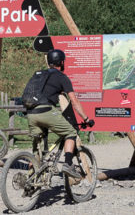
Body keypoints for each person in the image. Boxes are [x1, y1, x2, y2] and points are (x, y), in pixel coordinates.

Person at [26, 49, 94, 178]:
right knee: (70, 133)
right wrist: (86, 118)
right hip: (45, 111)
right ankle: (68, 164)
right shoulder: (62, 77)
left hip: (30, 112)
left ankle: (30, 177)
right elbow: (74, 101)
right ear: (61, 62)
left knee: (37, 145)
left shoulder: (38, 74)